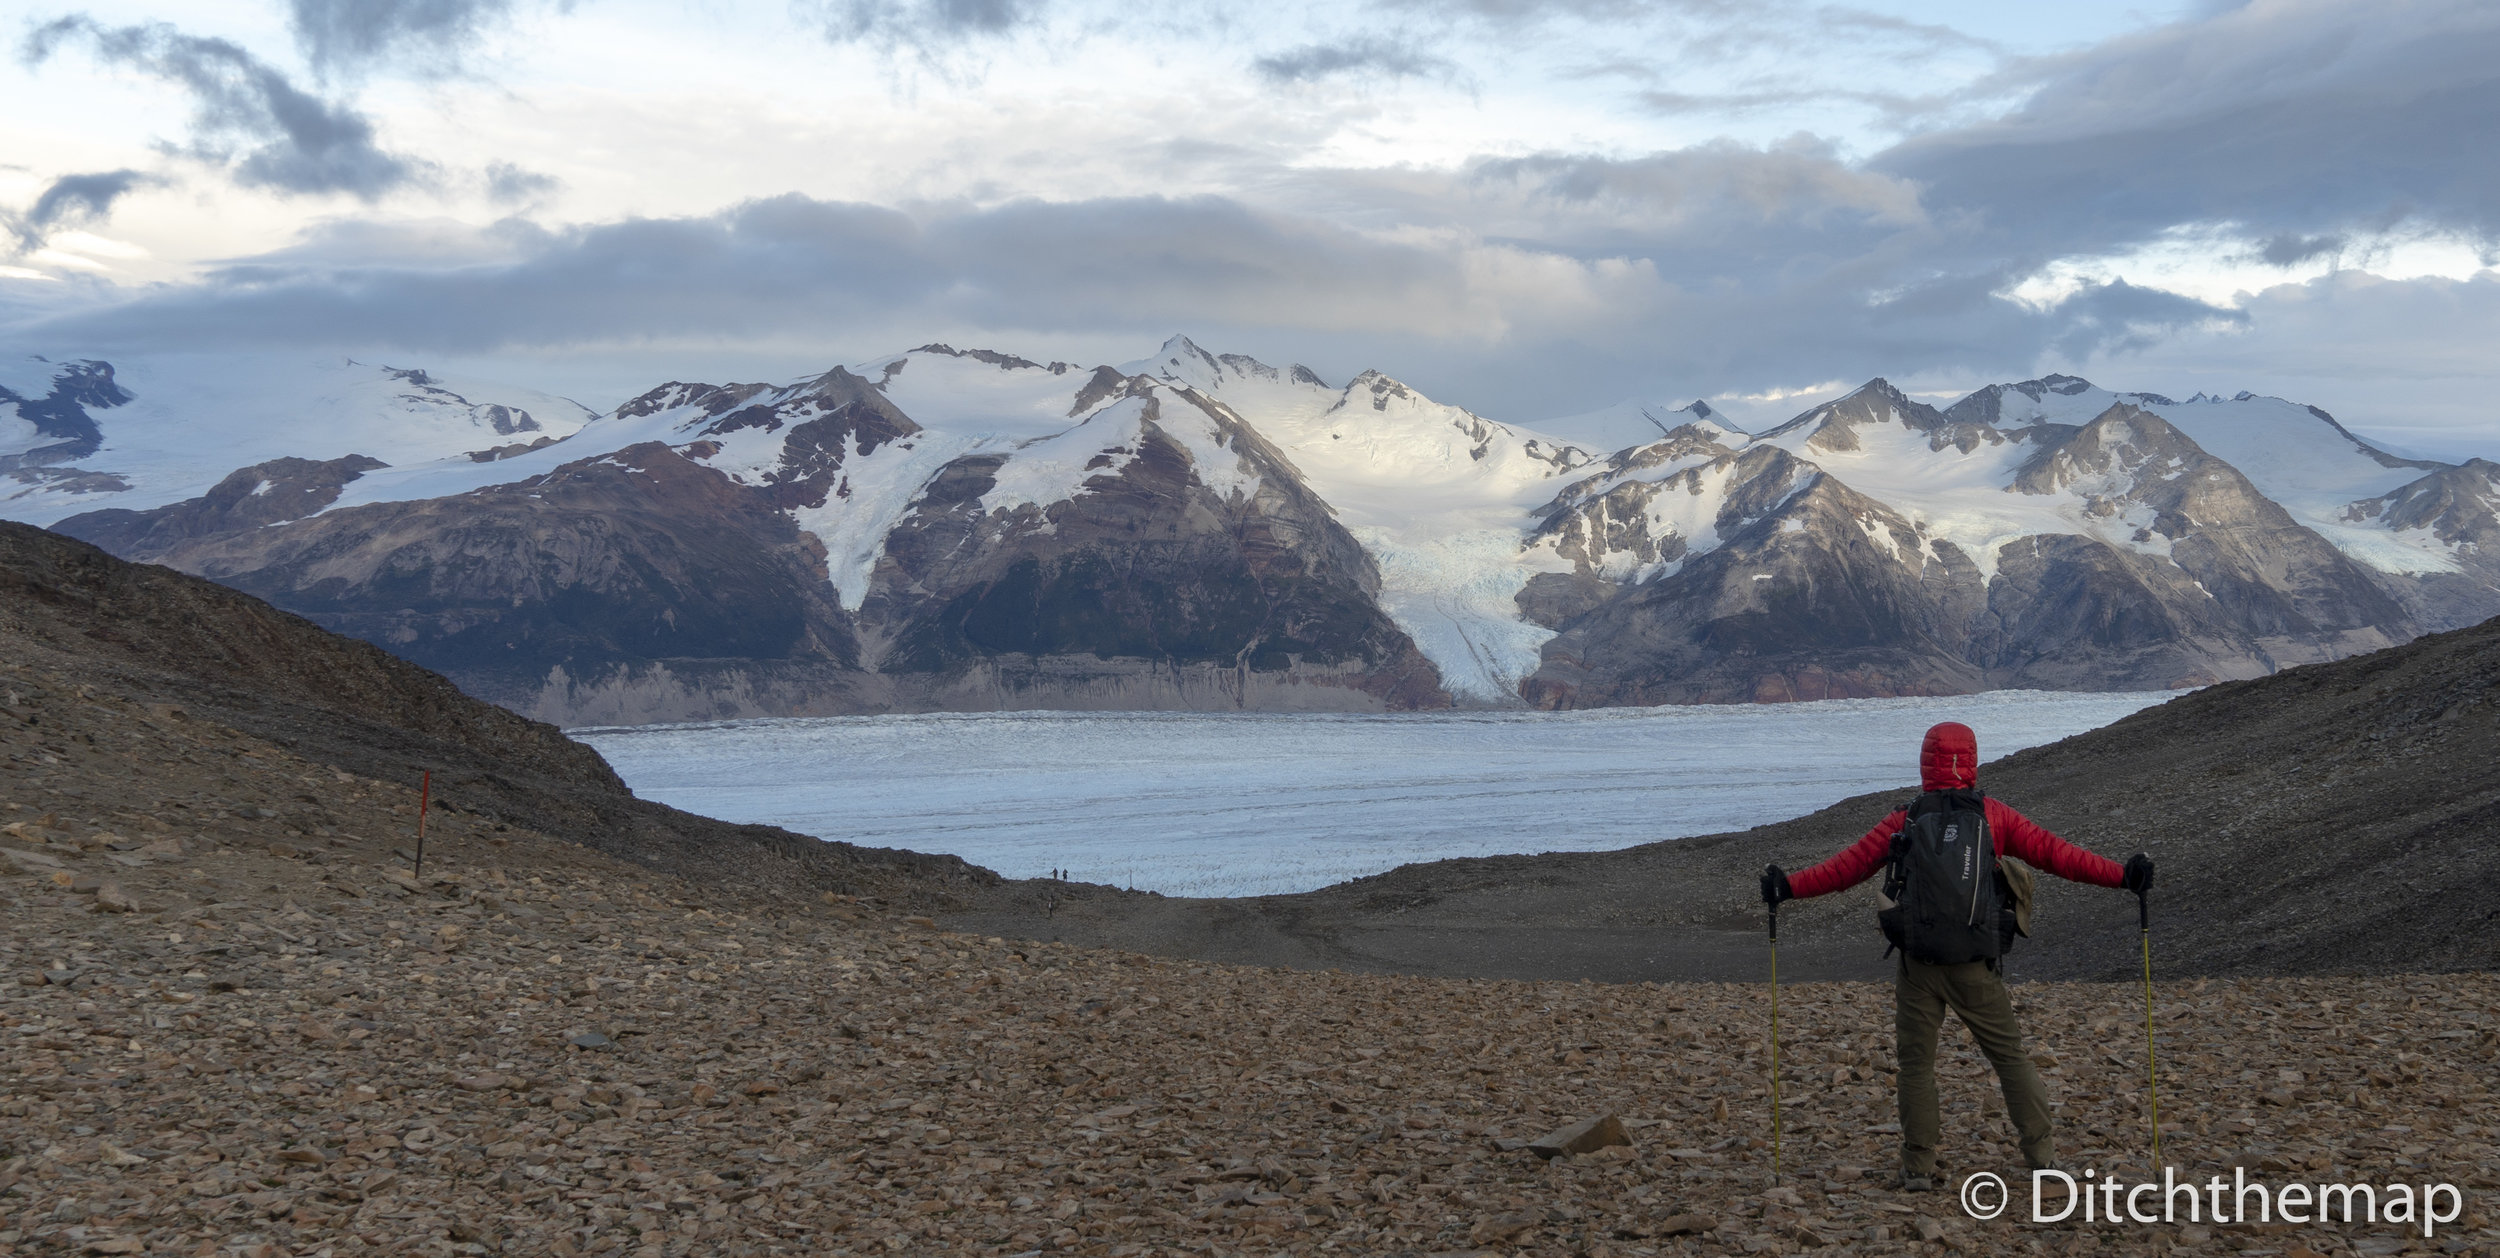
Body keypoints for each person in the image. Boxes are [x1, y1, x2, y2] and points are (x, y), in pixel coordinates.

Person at [1757, 721, 2152, 1191]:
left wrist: (1788, 887)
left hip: (1919, 966)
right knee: (2009, 1058)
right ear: (1972, 761)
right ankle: (2042, 1157)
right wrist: (2123, 876)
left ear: (1926, 762)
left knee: (1917, 1067)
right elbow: (2056, 854)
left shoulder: (1901, 821)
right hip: (1975, 966)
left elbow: (1847, 867)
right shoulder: (1995, 817)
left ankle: (1919, 1166)